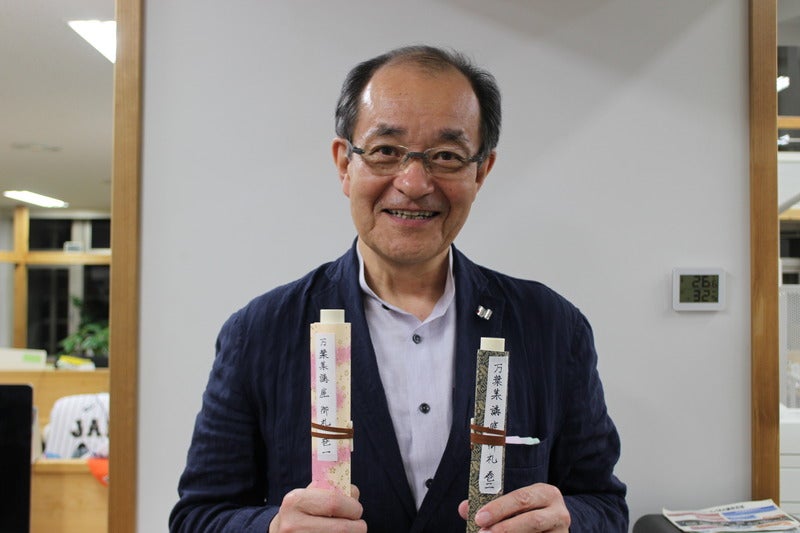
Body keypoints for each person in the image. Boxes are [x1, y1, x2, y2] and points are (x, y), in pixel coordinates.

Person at [169, 45, 628, 533]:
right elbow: (199, 516)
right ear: (344, 164)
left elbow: (603, 503)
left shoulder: (550, 326)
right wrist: (272, 529)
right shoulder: (260, 332)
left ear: (481, 171)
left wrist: (569, 523)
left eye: (446, 156)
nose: (413, 182)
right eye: (386, 151)